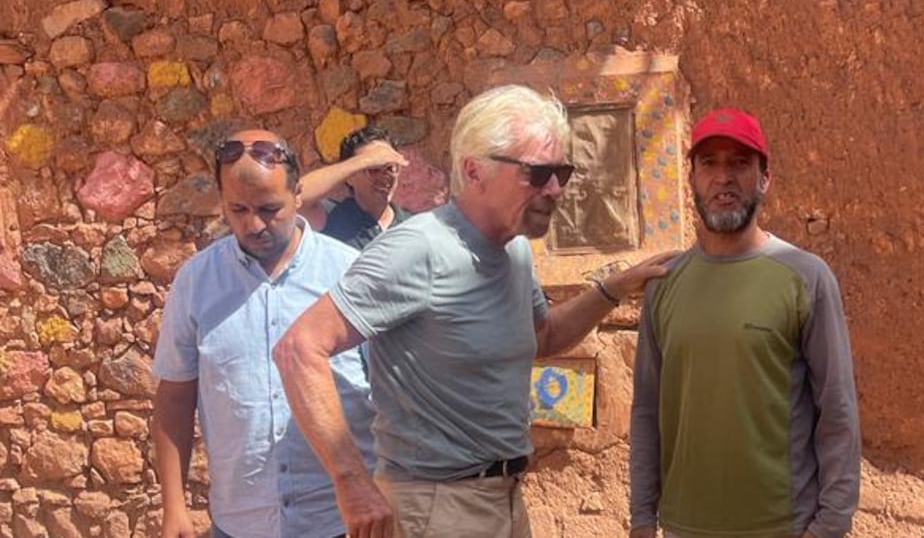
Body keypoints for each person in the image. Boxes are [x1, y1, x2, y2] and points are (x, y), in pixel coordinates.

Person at [273, 85, 676, 538]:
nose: (556, 189)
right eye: (538, 173)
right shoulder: (419, 249)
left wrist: (613, 289)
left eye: (562, 171)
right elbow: (299, 347)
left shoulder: (515, 250)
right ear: (474, 170)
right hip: (432, 507)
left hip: (501, 499)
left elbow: (539, 337)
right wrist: (350, 481)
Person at [629, 108, 861, 538]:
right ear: (692, 179)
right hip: (684, 527)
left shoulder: (805, 277)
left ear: (764, 178)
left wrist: (830, 525)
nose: (724, 178)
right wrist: (642, 518)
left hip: (782, 527)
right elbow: (647, 408)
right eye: (710, 164)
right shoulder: (664, 285)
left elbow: (837, 409)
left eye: (739, 163)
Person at [151, 129, 377, 538]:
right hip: (240, 524)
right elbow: (174, 398)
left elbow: (392, 391)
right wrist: (174, 508)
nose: (254, 225)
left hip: (339, 522)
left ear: (298, 195)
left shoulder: (349, 273)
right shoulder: (196, 283)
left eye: (270, 209)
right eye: (238, 209)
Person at [300, 126, 411, 249]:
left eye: (390, 168)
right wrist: (364, 161)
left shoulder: (413, 226)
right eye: (373, 169)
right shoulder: (333, 218)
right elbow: (297, 199)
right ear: (350, 177)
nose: (384, 176)